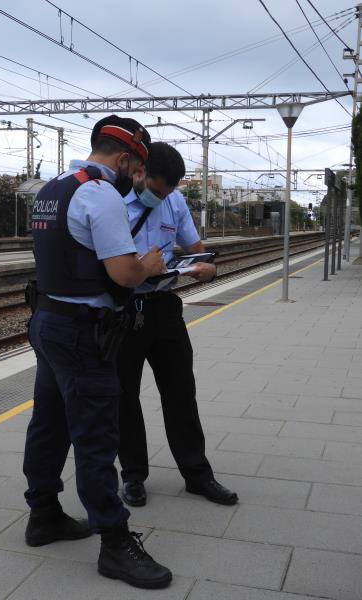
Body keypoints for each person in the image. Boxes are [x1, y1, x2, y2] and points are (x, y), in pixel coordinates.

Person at [23, 116, 172, 589]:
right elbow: (124, 272)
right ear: (126, 159)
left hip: (47, 322)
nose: (136, 180)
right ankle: (115, 542)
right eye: (137, 170)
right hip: (82, 332)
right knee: (95, 436)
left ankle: (43, 514)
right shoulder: (100, 193)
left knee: (49, 423)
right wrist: (148, 264)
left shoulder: (54, 186)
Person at [118, 142, 239, 507]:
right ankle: (134, 477)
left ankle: (197, 474)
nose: (164, 196)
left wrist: (207, 268)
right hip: (124, 310)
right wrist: (142, 269)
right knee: (124, 397)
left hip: (165, 308)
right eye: (158, 189)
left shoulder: (174, 200)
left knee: (181, 392)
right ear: (139, 172)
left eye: (170, 189)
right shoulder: (113, 203)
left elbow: (194, 249)